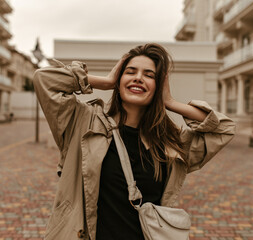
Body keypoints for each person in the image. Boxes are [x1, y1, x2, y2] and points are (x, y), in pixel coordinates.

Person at [33, 43, 235, 240]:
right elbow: (44, 79)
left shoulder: (169, 144)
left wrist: (170, 102)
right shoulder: (84, 123)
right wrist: (105, 82)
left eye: (149, 75)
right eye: (130, 72)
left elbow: (224, 129)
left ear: (158, 86)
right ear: (118, 80)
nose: (138, 78)